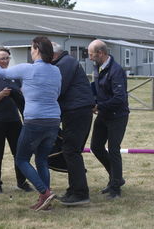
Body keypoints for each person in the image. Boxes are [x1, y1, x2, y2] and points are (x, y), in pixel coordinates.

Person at [0, 36, 61, 211]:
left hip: (35, 121)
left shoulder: (27, 69)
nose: (30, 52)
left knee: (22, 159)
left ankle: (44, 192)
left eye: (31, 49)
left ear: (37, 50)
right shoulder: (56, 71)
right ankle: (44, 199)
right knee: (41, 159)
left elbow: (1, 73)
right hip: (53, 120)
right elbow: (57, 92)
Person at [0, 46, 32, 195]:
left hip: (13, 119)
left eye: (7, 58)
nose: (5, 61)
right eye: (2, 58)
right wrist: (2, 94)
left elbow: (23, 95)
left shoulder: (15, 76)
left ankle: (21, 182)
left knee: (19, 152)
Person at [51, 42, 95, 206]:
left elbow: (58, 89)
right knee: (70, 151)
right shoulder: (65, 62)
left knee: (71, 151)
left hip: (76, 112)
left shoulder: (65, 64)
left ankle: (80, 193)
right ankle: (74, 189)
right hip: (76, 112)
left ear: (53, 54)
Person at [88, 39, 129, 199]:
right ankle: (116, 178)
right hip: (104, 114)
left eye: (91, 54)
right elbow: (96, 86)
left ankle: (115, 189)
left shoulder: (116, 70)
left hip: (117, 116)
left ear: (101, 53)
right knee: (96, 147)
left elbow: (120, 98)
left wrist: (99, 107)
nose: (90, 57)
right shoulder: (98, 67)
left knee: (113, 150)